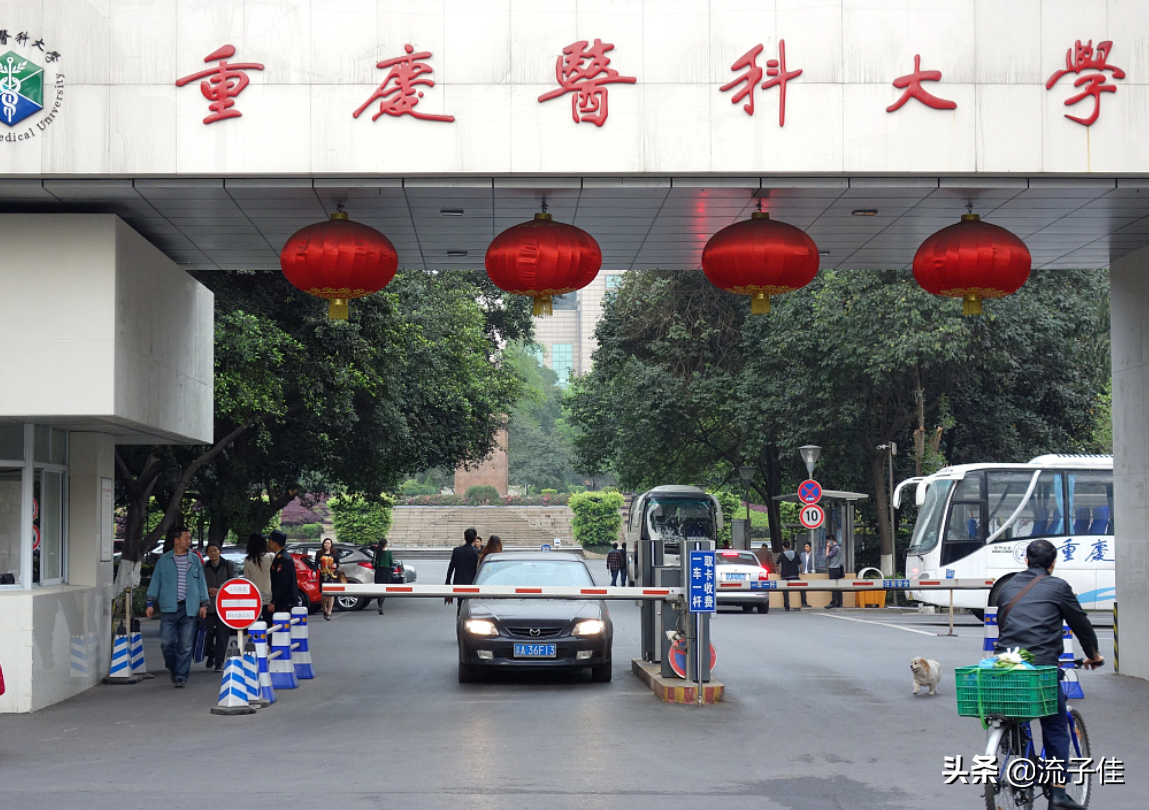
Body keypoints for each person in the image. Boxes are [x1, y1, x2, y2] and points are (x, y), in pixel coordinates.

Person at [994, 539, 1103, 810]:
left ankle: (1014, 745)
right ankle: (1057, 794)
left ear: (1026, 561)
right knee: (1054, 724)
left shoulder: (1008, 587)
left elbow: (1004, 623)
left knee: (1016, 710)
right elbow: (1080, 622)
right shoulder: (1058, 587)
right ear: (1053, 563)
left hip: (1005, 664)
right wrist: (1093, 654)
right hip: (1041, 666)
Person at [145, 526, 209, 687]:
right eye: (186, 538)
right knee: (166, 643)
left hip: (189, 608)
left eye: (189, 538)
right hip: (169, 608)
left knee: (186, 645)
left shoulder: (194, 560)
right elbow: (156, 582)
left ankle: (181, 676)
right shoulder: (164, 560)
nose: (189, 541)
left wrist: (204, 604)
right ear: (176, 540)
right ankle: (173, 666)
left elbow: (201, 582)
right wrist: (150, 603)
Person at [202, 541, 237, 671]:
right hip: (209, 605)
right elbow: (200, 583)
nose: (212, 553)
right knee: (208, 634)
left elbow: (234, 581)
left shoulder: (229, 565)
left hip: (224, 607)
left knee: (222, 636)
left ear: (220, 552)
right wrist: (208, 590)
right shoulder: (204, 567)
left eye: (215, 550)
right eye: (210, 551)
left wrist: (220, 589)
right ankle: (210, 654)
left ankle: (219, 662)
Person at [445, 528, 480, 614]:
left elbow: (451, 567)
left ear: (464, 538)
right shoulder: (477, 552)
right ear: (475, 538)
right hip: (472, 583)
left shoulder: (457, 551)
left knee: (460, 605)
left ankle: (459, 619)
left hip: (459, 582)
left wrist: (448, 581)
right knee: (471, 605)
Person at [267, 530, 299, 617]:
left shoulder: (283, 558)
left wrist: (274, 601)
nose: (268, 543)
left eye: (269, 541)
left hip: (285, 602)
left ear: (275, 543)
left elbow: (282, 582)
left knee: (283, 628)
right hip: (285, 601)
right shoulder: (280, 556)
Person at [245, 533, 274, 623]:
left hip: (255, 596)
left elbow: (247, 578)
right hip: (269, 595)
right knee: (269, 625)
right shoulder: (271, 556)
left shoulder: (248, 560)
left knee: (255, 625)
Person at [315, 537, 340, 621]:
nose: (327, 545)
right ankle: (324, 608)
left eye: (328, 543)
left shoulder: (334, 553)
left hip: (332, 575)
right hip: (323, 575)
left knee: (331, 593)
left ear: (331, 545)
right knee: (324, 594)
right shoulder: (319, 553)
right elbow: (316, 564)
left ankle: (329, 611)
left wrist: (335, 566)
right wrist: (314, 571)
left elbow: (338, 563)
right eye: (325, 543)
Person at [776, 540, 802, 612]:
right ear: (790, 546)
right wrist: (802, 572)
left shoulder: (782, 555)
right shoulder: (795, 554)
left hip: (785, 576)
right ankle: (804, 602)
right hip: (795, 575)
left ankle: (787, 607)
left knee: (785, 591)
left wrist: (778, 572)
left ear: (783, 547)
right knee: (803, 587)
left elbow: (777, 565)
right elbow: (800, 564)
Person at [373, 539, 394, 615]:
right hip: (386, 571)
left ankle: (379, 604)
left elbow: (373, 562)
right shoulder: (388, 553)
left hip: (378, 571)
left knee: (378, 588)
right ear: (385, 544)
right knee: (384, 588)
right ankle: (380, 605)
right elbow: (391, 562)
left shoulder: (377, 552)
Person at [825, 534, 844, 608]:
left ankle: (833, 602)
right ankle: (839, 602)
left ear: (831, 541)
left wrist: (827, 547)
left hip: (834, 568)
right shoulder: (839, 548)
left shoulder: (835, 549)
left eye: (828, 541)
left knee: (834, 586)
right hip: (838, 567)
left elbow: (828, 556)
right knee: (838, 586)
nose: (827, 543)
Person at [799, 540, 814, 607]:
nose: (806, 548)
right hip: (803, 573)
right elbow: (800, 563)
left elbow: (816, 564)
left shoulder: (813, 555)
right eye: (805, 546)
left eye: (807, 546)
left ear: (810, 547)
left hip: (810, 573)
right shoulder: (802, 555)